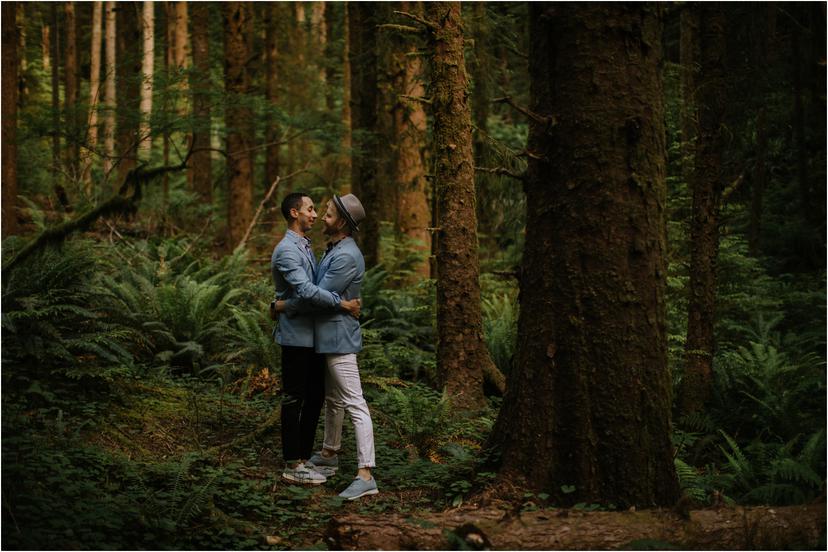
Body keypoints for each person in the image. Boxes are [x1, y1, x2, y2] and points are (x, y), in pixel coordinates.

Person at [277, 193, 379, 500]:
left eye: (330, 215)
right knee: (333, 400)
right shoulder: (332, 249)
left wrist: (282, 306)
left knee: (354, 402)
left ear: (344, 224)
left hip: (337, 338)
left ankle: (366, 474)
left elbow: (316, 295)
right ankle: (329, 454)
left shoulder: (346, 255)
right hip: (325, 339)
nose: (323, 217)